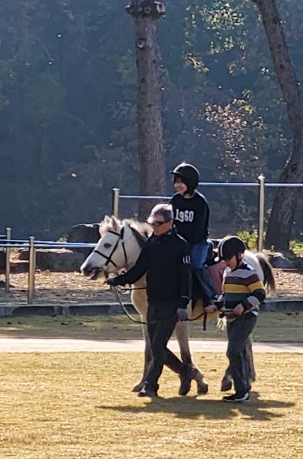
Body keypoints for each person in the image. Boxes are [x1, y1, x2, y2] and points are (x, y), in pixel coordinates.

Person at [106, 204, 199, 398]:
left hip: (171, 303)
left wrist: (183, 303)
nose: (154, 226)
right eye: (152, 222)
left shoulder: (180, 245)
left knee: (156, 346)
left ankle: (151, 386)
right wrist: (118, 280)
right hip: (154, 302)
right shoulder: (152, 243)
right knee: (157, 346)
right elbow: (139, 269)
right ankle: (185, 371)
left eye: (158, 223)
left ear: (170, 223)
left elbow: (185, 277)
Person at [205, 236, 265, 403]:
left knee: (233, 351)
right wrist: (216, 305)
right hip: (232, 318)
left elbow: (260, 293)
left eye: (228, 259)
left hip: (246, 318)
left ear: (240, 255)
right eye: (223, 259)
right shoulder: (227, 273)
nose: (226, 263)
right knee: (237, 350)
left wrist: (244, 305)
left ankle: (242, 389)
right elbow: (226, 295)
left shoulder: (249, 273)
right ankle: (244, 387)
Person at [170, 162, 214, 306]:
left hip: (197, 243)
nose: (178, 185)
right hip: (178, 242)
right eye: (176, 181)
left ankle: (209, 297)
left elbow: (198, 230)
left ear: (191, 182)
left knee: (195, 266)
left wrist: (185, 245)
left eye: (181, 181)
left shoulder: (200, 203)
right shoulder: (175, 200)